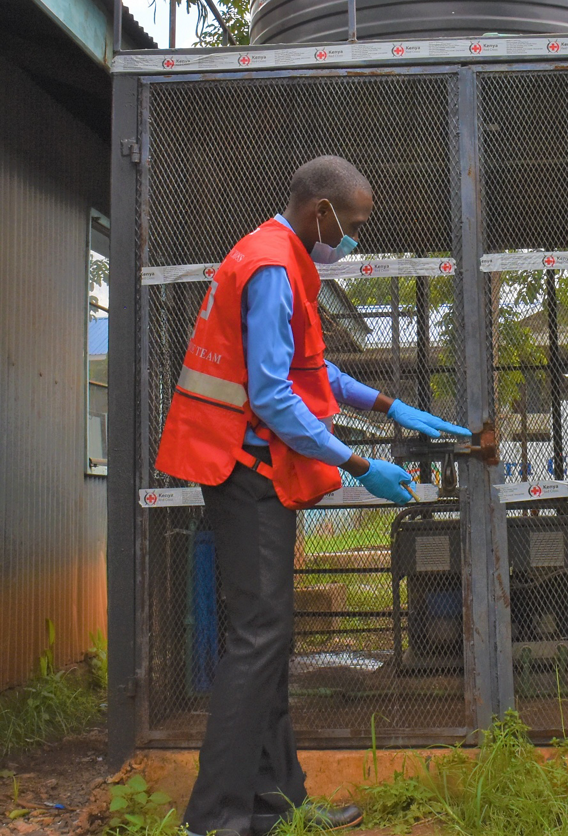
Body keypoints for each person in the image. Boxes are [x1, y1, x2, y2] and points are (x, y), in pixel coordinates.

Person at [155, 155, 471, 836]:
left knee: (268, 639)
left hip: (254, 472)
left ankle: (276, 807)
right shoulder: (272, 266)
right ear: (321, 210)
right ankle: (213, 821)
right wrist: (359, 464)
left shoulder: (280, 257)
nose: (354, 237)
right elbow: (273, 395)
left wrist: (394, 407)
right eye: (353, 223)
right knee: (258, 640)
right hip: (247, 472)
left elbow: (311, 368)